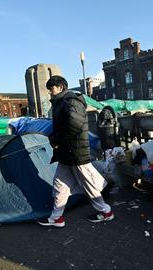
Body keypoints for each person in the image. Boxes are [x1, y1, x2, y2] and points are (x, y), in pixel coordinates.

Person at [38, 75, 114, 228]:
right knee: (60, 184)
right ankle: (56, 217)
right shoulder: (63, 102)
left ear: (60, 87)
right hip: (67, 153)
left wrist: (56, 140)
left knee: (89, 183)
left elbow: (74, 124)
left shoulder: (71, 102)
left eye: (51, 89)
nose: (49, 93)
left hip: (76, 152)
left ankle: (106, 211)